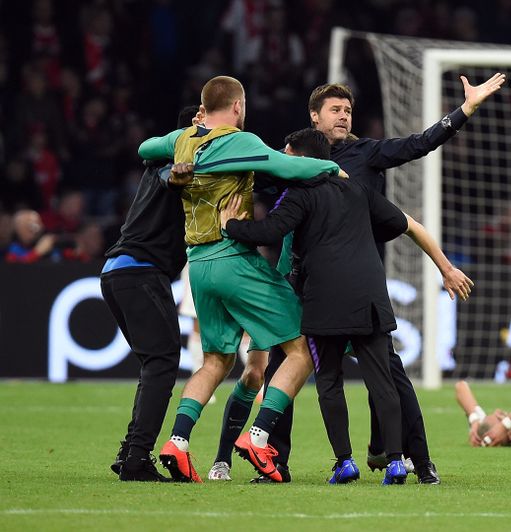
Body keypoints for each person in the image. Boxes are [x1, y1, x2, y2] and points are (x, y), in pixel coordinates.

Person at [254, 74, 504, 484]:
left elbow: (420, 143)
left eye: (348, 110)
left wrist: (466, 110)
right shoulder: (294, 158)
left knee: (390, 374)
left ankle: (419, 461)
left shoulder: (366, 154)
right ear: (314, 117)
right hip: (306, 281)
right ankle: (275, 463)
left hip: (356, 282)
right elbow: (253, 175)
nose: (343, 116)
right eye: (334, 110)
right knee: (283, 365)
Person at [219, 128, 473, 484]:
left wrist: (229, 225)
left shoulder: (300, 193)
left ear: (299, 158)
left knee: (329, 381)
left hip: (325, 301)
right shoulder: (358, 189)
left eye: (287, 154)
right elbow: (404, 225)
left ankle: (345, 462)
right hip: (370, 295)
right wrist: (444, 267)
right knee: (383, 381)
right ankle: (398, 462)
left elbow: (268, 233)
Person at [137, 75, 343, 483]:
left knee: (216, 360)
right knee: (300, 348)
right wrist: (334, 166)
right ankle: (258, 434)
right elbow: (288, 166)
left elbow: (145, 148)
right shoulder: (240, 140)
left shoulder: (184, 140)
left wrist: (186, 133)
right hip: (233, 258)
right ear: (237, 106)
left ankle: (176, 441)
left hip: (198, 265)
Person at [102, 106, 195, 481]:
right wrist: (176, 175)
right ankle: (138, 458)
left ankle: (130, 452)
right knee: (162, 361)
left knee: (154, 363)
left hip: (120, 271)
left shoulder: (160, 160)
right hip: (139, 273)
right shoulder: (167, 160)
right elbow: (168, 176)